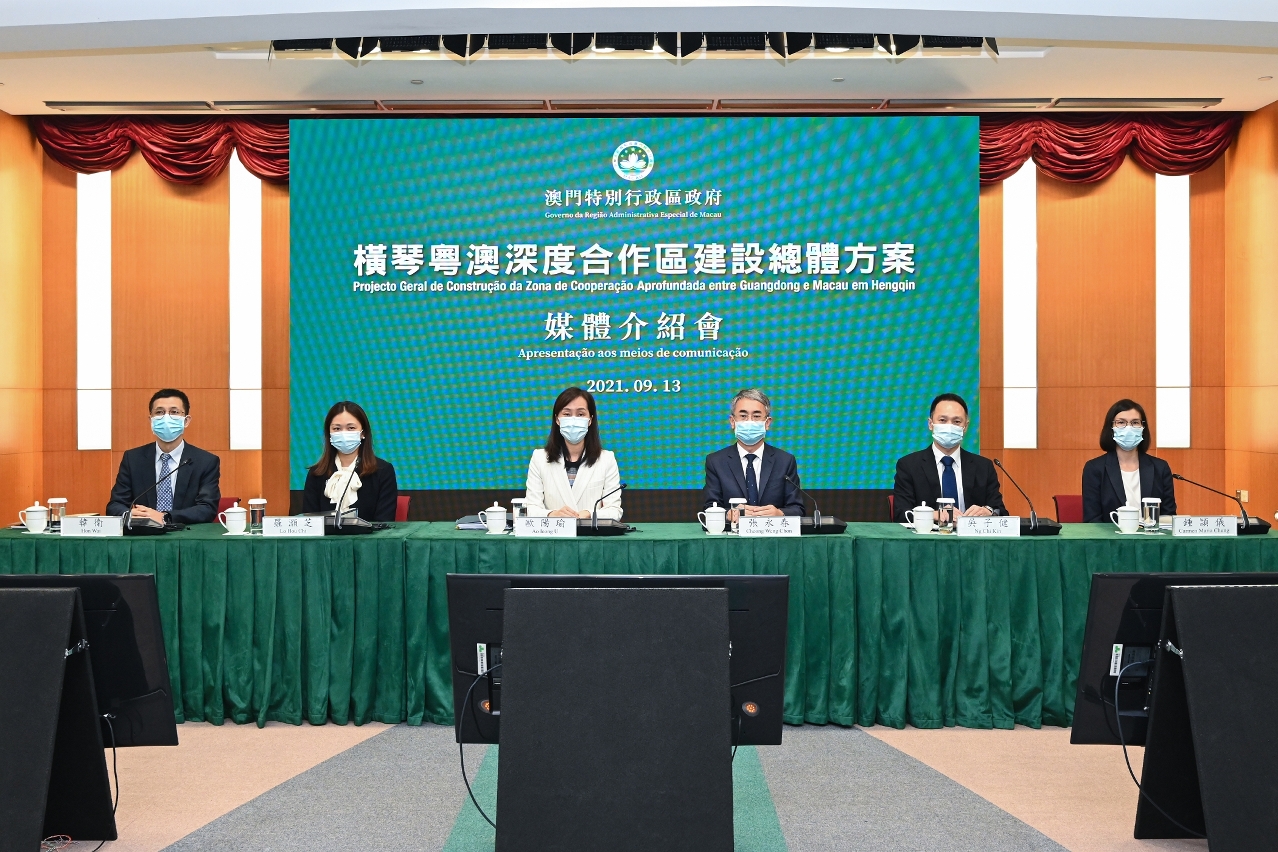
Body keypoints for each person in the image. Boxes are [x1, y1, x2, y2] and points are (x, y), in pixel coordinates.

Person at [107, 389, 221, 525]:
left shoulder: (205, 461)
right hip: (143, 533)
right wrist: (129, 515)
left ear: (186, 421)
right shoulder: (133, 459)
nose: (166, 418)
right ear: (151, 420)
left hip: (185, 534)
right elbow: (115, 505)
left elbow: (207, 509)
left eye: (174, 412)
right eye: (159, 412)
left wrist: (165, 517)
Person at [892, 392, 1007, 522]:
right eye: (942, 420)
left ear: (965, 427)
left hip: (971, 534)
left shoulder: (984, 467)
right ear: (930, 424)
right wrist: (934, 515)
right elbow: (901, 513)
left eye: (957, 422)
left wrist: (989, 511)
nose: (949, 426)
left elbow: (1001, 511)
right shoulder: (909, 465)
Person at [703, 388, 804, 518]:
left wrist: (780, 513)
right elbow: (710, 507)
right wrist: (729, 514)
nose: (749, 422)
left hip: (771, 530)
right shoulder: (716, 461)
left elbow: (797, 509)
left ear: (767, 423)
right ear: (732, 422)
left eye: (756, 416)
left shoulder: (785, 461)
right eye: (743, 416)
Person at [524, 387, 623, 520]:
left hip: (591, 532)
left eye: (580, 414)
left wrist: (589, 514)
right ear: (557, 419)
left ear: (590, 420)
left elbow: (614, 511)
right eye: (567, 414)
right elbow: (531, 509)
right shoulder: (539, 458)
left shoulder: (606, 459)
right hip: (554, 531)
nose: (574, 420)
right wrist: (553, 514)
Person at [301, 401, 399, 522]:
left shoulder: (383, 471)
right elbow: (310, 521)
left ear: (363, 433)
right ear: (329, 434)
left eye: (351, 428)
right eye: (337, 428)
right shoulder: (316, 473)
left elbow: (384, 521)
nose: (343, 434)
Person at [1081, 398, 1176, 523]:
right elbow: (1092, 519)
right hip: (1110, 535)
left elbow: (1168, 516)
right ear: (1111, 427)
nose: (1129, 428)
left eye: (1135, 422)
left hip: (1151, 534)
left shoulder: (1160, 468)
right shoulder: (1094, 468)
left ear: (1143, 427)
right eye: (1121, 422)